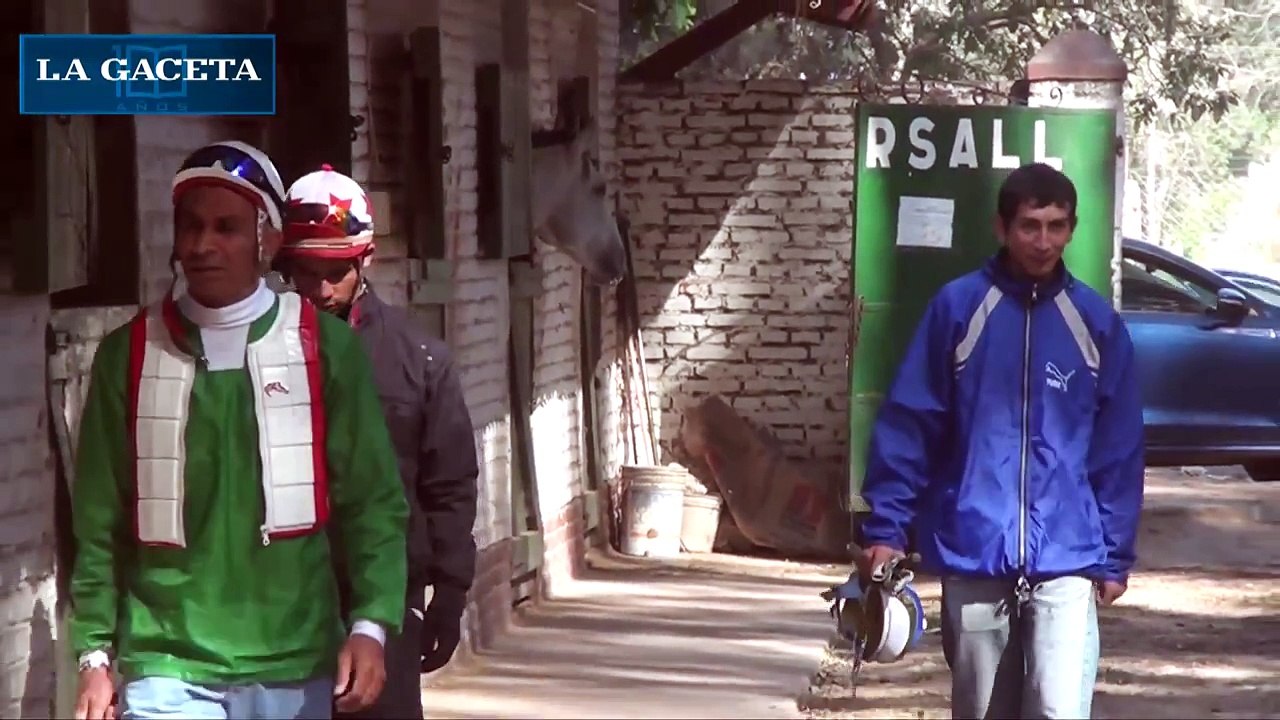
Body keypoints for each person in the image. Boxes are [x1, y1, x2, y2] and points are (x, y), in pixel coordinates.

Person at [69, 141, 410, 720]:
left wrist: (372, 626)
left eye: (226, 227)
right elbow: (99, 520)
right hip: (165, 662)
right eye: (191, 227)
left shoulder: (324, 350)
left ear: (268, 239)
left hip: (293, 662)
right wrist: (93, 656)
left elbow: (372, 503)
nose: (203, 245)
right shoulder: (127, 356)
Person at [857, 162, 1145, 718]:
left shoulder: (1095, 323)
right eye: (1030, 226)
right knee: (983, 712)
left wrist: (1114, 557)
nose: (1043, 241)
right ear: (1001, 228)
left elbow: (1119, 448)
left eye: (1057, 226)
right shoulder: (958, 309)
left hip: (1068, 556)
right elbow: (911, 423)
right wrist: (887, 527)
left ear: (1072, 228)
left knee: (1058, 711)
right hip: (974, 549)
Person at [272, 164, 480, 720]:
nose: (319, 289)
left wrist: (450, 594)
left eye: (335, 271)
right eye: (305, 271)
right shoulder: (255, 355)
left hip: (385, 600)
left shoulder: (420, 360)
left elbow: (450, 484)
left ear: (366, 259)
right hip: (277, 600)